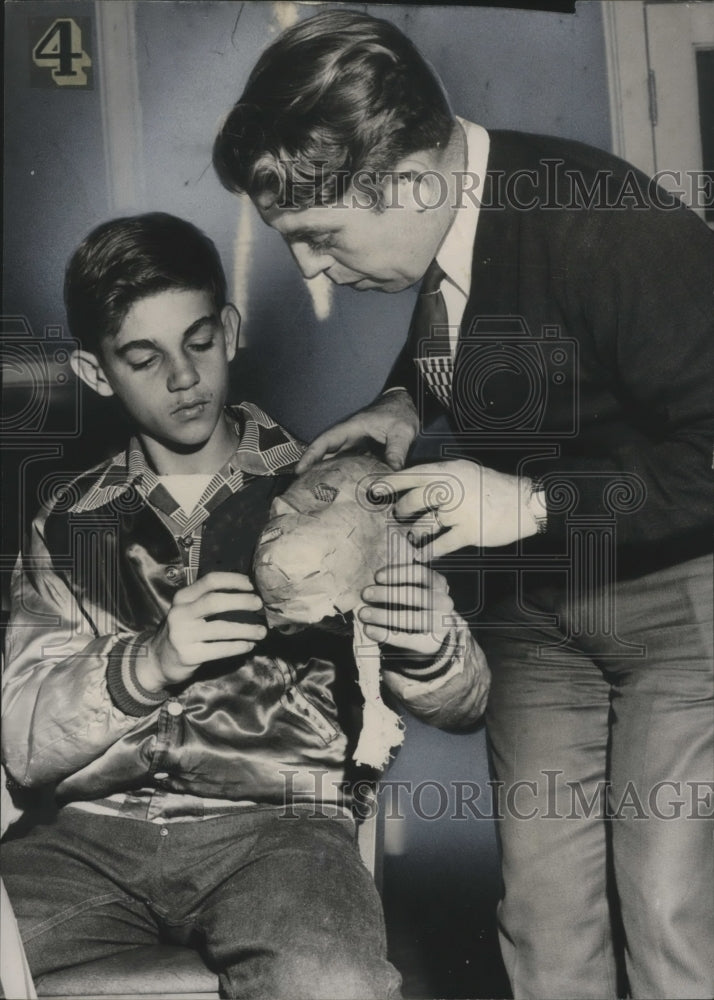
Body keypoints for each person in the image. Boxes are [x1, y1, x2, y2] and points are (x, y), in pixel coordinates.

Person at [212, 10, 714, 1000]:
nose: (311, 273)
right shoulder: (448, 228)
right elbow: (469, 320)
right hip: (535, 614)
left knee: (666, 915)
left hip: (672, 604)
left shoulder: (606, 224)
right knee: (541, 922)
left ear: (403, 182)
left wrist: (526, 502)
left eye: (318, 239)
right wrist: (404, 402)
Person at [0, 212, 490, 1000]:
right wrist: (148, 663)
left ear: (228, 329)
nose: (183, 377)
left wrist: (432, 648)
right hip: (87, 839)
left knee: (333, 982)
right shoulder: (68, 520)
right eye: (142, 357)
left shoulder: (327, 490)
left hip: (279, 832)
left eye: (197, 340)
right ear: (97, 374)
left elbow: (466, 701)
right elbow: (20, 735)